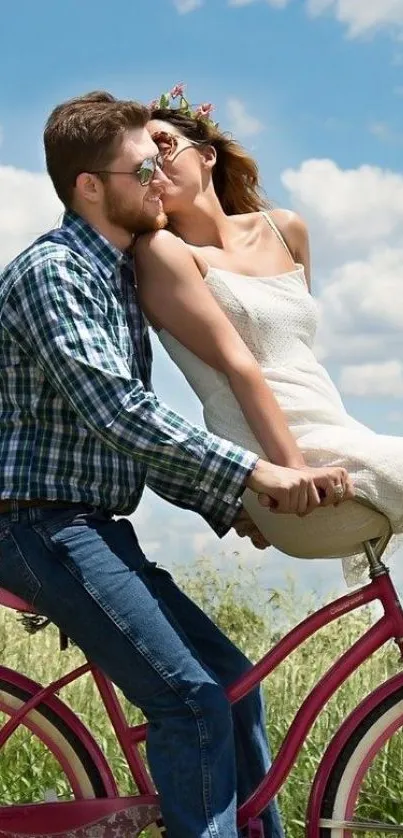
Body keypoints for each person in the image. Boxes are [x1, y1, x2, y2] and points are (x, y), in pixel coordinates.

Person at [0, 91, 351, 838]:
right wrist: (257, 476)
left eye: (163, 163)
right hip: (38, 528)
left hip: (91, 526)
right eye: (142, 168)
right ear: (90, 186)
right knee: (190, 700)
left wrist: (225, 506)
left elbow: (136, 436)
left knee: (235, 689)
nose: (158, 179)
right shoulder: (56, 273)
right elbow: (119, 413)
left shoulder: (119, 277)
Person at [134, 87, 403, 587]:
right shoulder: (161, 251)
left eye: (164, 145)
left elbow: (298, 359)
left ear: (208, 154)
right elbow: (241, 368)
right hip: (278, 463)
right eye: (142, 165)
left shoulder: (286, 230)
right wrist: (291, 470)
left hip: (337, 436)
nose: (155, 164)